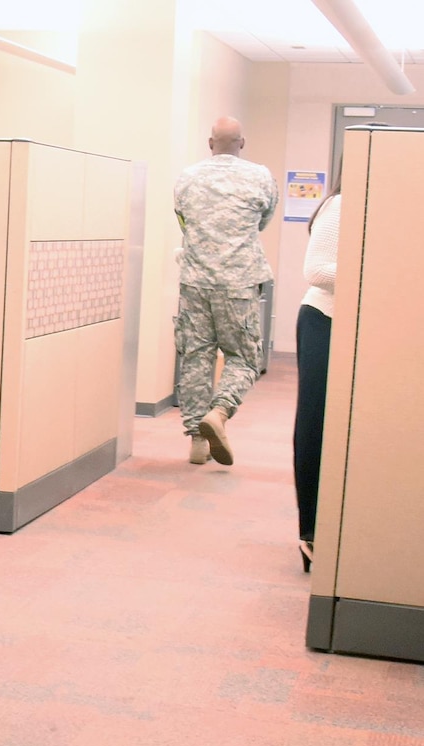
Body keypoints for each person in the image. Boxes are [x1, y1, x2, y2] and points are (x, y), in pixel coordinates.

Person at [174, 116, 278, 466]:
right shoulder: (261, 176)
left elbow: (183, 221)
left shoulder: (187, 177)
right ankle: (219, 413)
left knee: (195, 357)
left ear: (209, 143)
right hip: (239, 283)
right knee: (244, 356)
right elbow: (262, 221)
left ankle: (197, 442)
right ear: (242, 143)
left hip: (195, 282)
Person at [294, 176, 341, 572]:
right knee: (314, 423)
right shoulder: (340, 204)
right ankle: (309, 532)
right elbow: (316, 270)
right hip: (323, 320)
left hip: (352, 326)